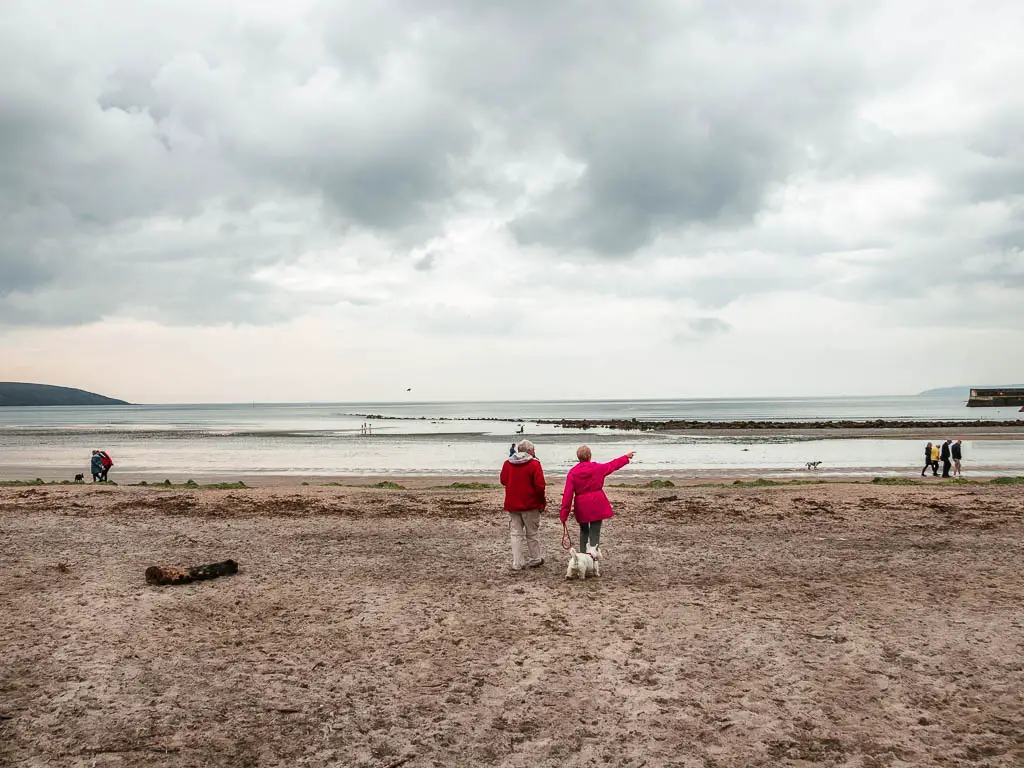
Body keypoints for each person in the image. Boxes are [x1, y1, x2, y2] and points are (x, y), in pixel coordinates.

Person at [560, 445, 634, 556]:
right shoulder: (597, 468)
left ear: (578, 457)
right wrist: (626, 457)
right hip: (596, 503)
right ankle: (593, 558)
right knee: (595, 532)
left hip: (582, 506)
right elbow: (612, 465)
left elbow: (567, 495)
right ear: (589, 456)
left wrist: (563, 515)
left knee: (584, 531)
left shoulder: (573, 472)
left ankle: (584, 557)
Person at [499, 439, 546, 571]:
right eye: (533, 450)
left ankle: (517, 562)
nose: (534, 452)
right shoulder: (534, 464)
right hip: (530, 504)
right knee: (532, 533)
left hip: (513, 504)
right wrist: (542, 502)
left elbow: (503, 480)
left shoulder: (508, 463)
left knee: (516, 534)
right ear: (529, 451)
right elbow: (540, 486)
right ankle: (535, 558)